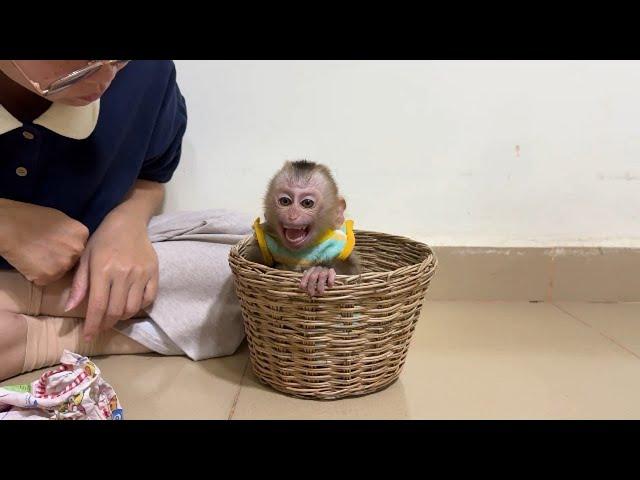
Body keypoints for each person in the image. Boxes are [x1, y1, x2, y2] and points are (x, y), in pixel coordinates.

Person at [0, 60, 248, 382]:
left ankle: (34, 321)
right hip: (67, 279)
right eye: (80, 71)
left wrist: (126, 223)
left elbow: (151, 176)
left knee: (234, 264)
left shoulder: (145, 73)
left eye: (118, 60)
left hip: (87, 261)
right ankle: (88, 330)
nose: (104, 80)